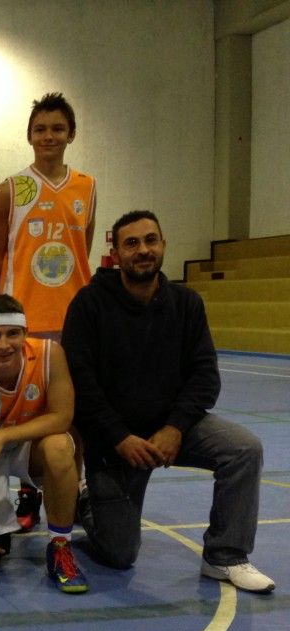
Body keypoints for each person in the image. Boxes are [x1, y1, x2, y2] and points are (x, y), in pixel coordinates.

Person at [62, 210, 274, 593]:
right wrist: (119, 438)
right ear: (116, 253)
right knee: (119, 554)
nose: (143, 250)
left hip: (173, 430)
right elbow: (81, 386)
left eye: (150, 240)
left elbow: (205, 376)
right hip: (116, 444)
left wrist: (175, 427)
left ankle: (225, 556)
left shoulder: (187, 303)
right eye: (132, 243)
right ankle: (88, 502)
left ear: (163, 244)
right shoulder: (89, 304)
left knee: (243, 449)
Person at [0, 92, 96, 531]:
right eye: (40, 129)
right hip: (24, 320)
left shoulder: (87, 186)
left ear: (71, 134)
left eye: (57, 128)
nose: (48, 136)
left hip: (73, 320)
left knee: (73, 415)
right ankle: (28, 490)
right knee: (23, 413)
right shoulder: (11, 189)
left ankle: (75, 490)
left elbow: (82, 248)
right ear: (29, 136)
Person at [0, 294, 88, 592]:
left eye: (12, 333)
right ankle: (3, 521)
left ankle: (60, 546)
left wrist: (2, 436)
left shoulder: (50, 354)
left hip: (27, 445)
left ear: (25, 332)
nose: (3, 344)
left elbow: (63, 417)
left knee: (60, 445)